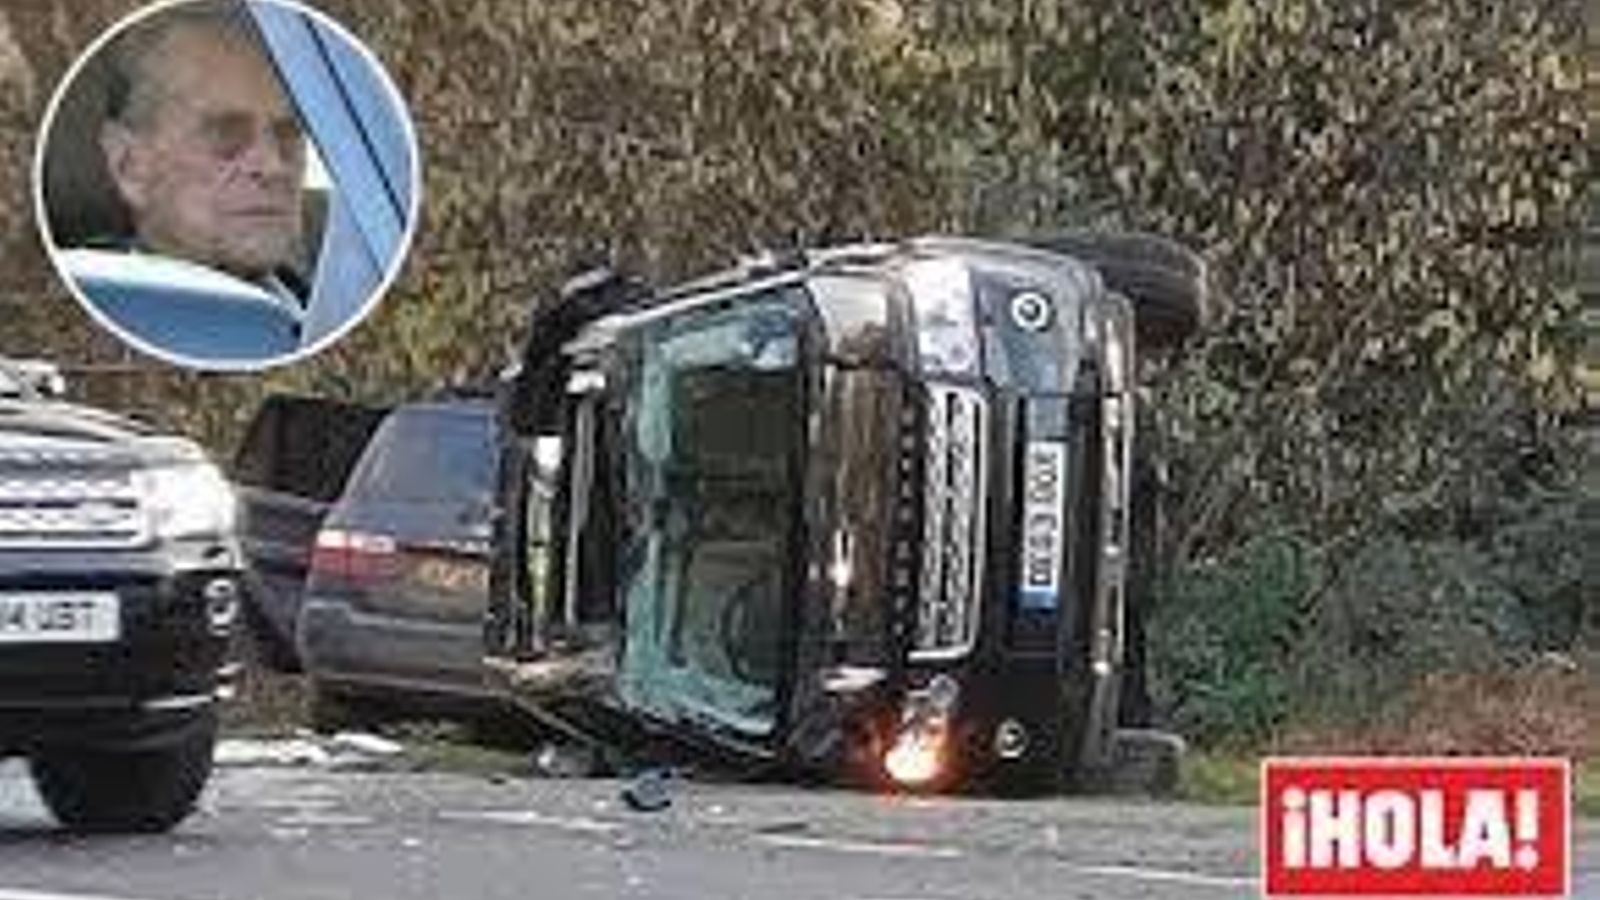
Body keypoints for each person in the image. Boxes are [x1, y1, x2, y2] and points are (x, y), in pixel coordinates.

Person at [97, 1, 309, 313]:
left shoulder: (327, 304)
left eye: (288, 133)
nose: (273, 166)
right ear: (130, 166)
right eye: (226, 133)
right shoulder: (104, 301)